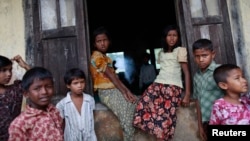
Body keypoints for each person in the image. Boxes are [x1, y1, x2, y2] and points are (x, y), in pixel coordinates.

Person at [133, 25, 191, 141]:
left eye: (175, 35)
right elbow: (162, 70)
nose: (172, 38)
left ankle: (162, 135)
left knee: (164, 120)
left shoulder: (180, 50)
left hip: (173, 88)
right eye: (169, 35)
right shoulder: (161, 54)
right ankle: (157, 132)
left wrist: (187, 94)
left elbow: (186, 73)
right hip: (157, 85)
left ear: (178, 38)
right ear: (165, 37)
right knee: (142, 105)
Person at [89, 26, 137, 141]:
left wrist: (127, 91)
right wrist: (124, 92)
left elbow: (115, 78)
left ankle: (129, 134)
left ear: (109, 41)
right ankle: (128, 135)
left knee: (134, 102)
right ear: (95, 44)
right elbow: (110, 76)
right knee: (127, 112)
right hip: (106, 92)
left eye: (104, 40)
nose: (102, 43)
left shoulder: (105, 57)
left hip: (113, 89)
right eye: (99, 41)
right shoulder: (96, 56)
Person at [8, 67, 64, 141]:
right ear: (26, 94)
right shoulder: (20, 124)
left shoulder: (54, 111)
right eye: (37, 88)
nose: (44, 92)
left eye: (48, 87)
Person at [192, 38, 224, 141]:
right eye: (197, 56)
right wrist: (200, 125)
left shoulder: (220, 71)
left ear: (213, 54)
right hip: (207, 122)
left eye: (204, 56)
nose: (201, 60)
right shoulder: (196, 77)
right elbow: (197, 101)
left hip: (223, 120)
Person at [56, 68, 97, 141]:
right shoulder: (62, 104)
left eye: (82, 82)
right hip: (71, 138)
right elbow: (61, 124)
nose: (80, 86)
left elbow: (92, 118)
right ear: (68, 86)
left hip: (89, 137)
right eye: (75, 83)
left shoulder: (90, 100)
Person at [0, 55, 30, 141]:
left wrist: (25, 66)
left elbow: (36, 80)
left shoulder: (15, 90)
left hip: (17, 137)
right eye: (4, 70)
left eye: (10, 70)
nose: (9, 74)